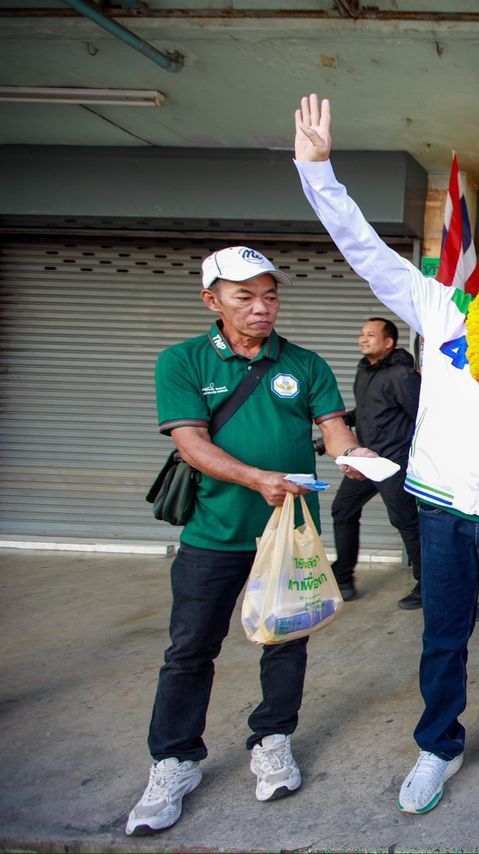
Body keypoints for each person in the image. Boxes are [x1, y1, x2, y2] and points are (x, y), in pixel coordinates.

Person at [293, 94, 479, 814]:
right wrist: (317, 173)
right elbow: (365, 250)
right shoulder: (442, 313)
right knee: (443, 636)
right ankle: (438, 745)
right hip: (444, 508)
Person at [127, 246, 373, 835]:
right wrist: (257, 478)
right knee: (189, 650)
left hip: (289, 536)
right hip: (213, 535)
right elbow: (192, 444)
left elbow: (335, 434)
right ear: (212, 300)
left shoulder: (305, 363)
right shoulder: (182, 361)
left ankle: (273, 738)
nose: (262, 308)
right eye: (245, 296)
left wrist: (356, 456)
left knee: (285, 641)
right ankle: (175, 759)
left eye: (270, 295)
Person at [331, 317, 423, 608]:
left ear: (388, 342)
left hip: (394, 461)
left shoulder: (402, 375)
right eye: (361, 334)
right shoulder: (365, 370)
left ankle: (427, 585)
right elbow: (370, 410)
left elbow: (420, 415)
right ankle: (343, 577)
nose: (363, 339)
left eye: (370, 335)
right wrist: (340, 427)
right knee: (342, 509)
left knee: (406, 521)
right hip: (367, 459)